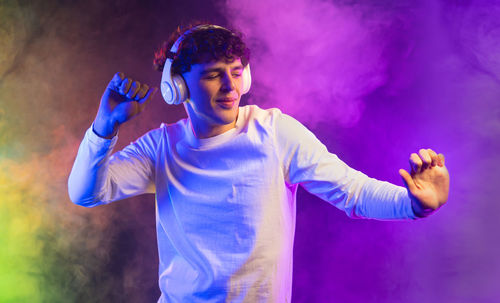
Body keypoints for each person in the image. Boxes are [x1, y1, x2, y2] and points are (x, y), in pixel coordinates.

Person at [68, 24, 450, 302]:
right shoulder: (161, 148)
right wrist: (103, 130)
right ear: (178, 86)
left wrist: (413, 205)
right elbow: (85, 193)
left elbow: (353, 192)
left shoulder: (275, 132)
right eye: (214, 76)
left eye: (236, 73)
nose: (231, 88)